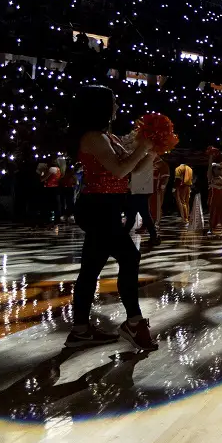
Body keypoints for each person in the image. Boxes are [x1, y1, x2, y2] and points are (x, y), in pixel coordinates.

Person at [68, 85, 158, 351]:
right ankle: (133, 322)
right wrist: (142, 147)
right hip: (96, 207)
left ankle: (80, 330)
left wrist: (151, 151)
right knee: (130, 256)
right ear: (100, 107)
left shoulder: (108, 136)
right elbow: (119, 170)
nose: (117, 106)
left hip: (105, 207)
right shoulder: (93, 137)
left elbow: (132, 170)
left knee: (90, 269)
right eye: (113, 101)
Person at [123, 136, 160, 249]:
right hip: (140, 188)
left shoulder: (145, 154)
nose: (130, 142)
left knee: (136, 214)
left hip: (140, 189)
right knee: (137, 214)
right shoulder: (145, 153)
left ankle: (153, 237)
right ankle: (154, 237)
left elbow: (136, 169)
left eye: (132, 140)